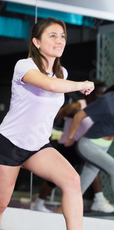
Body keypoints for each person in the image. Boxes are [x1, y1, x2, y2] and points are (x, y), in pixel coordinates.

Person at [0, 17, 100, 230]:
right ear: (36, 42)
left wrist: (73, 83)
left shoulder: (63, 73)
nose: (59, 41)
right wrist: (80, 85)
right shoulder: (23, 66)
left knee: (71, 180)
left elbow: (56, 83)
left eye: (62, 36)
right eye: (52, 36)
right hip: (9, 144)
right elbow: (49, 85)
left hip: (38, 146)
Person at [31, 81, 113, 213]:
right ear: (91, 92)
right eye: (99, 92)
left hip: (90, 147)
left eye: (103, 92)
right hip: (69, 146)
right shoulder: (78, 106)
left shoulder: (102, 106)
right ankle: (39, 202)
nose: (101, 95)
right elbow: (57, 116)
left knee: (90, 174)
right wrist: (64, 136)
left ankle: (95, 200)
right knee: (55, 179)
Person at [65, 85, 114, 208]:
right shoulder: (107, 100)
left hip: (104, 146)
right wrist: (70, 138)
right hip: (89, 144)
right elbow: (79, 115)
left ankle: (63, 210)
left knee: (83, 184)